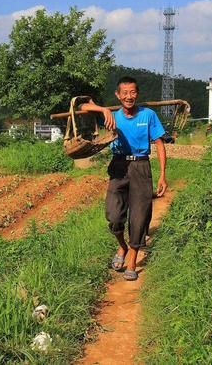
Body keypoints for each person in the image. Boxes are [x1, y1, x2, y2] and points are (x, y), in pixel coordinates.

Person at [80, 76, 167, 281]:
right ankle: (122, 246)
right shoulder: (112, 116)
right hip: (118, 166)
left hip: (140, 166)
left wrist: (162, 175)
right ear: (118, 95)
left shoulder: (148, 115)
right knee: (113, 215)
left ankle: (132, 260)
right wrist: (103, 110)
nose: (129, 96)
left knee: (139, 215)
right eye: (124, 93)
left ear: (137, 94)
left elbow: (160, 144)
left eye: (133, 92)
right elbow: (83, 105)